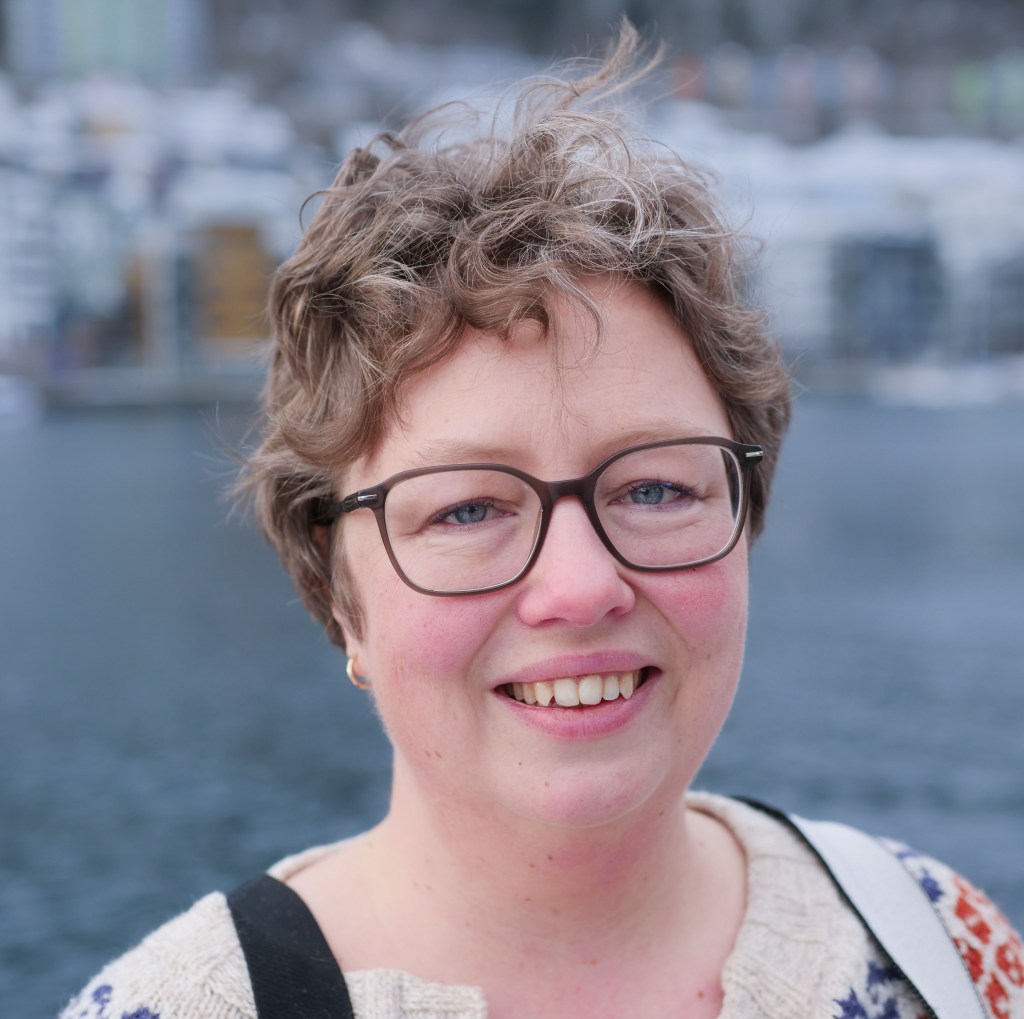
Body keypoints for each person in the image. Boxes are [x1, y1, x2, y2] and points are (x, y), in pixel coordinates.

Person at [61, 25, 1022, 1019]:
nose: (581, 586)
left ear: (747, 516)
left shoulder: (941, 948)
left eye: (655, 489)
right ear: (338, 587)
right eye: (468, 507)